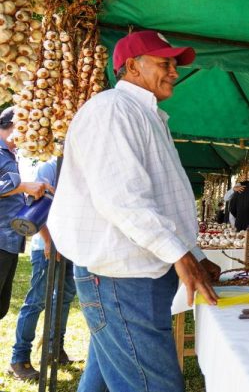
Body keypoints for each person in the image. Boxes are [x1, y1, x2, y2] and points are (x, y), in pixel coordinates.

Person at [47, 30, 220, 392]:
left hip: (131, 276)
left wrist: (194, 253)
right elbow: (122, 198)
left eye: (174, 64)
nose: (174, 71)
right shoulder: (112, 109)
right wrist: (179, 253)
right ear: (131, 67)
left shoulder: (147, 115)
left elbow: (163, 202)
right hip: (121, 279)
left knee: (103, 380)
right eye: (164, 63)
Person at [10, 160, 77, 382]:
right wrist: (48, 241)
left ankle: (53, 349)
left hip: (71, 246)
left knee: (64, 299)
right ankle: (19, 359)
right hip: (46, 247)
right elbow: (36, 207)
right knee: (36, 301)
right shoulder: (48, 168)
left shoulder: (79, 167)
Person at [0, 107, 50, 324]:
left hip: (10, 241)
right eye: (28, 126)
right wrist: (23, 187)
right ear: (15, 124)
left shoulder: (12, 154)